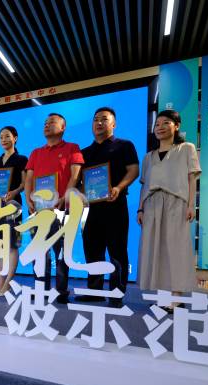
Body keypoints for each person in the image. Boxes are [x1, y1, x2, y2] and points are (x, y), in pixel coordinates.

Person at [137, 110, 201, 312]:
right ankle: (163, 297)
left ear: (177, 126)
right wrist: (140, 209)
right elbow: (144, 186)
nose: (160, 127)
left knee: (176, 249)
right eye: (157, 124)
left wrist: (191, 205)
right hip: (152, 204)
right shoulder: (148, 157)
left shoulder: (186, 148)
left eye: (166, 123)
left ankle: (177, 297)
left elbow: (191, 178)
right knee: (155, 249)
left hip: (176, 202)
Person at [77, 107, 139, 307]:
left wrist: (119, 187)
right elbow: (78, 181)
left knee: (117, 250)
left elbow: (133, 170)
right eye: (96, 119)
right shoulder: (84, 152)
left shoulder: (124, 145)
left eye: (104, 119)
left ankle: (116, 293)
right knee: (92, 250)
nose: (99, 123)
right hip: (90, 209)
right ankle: (94, 291)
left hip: (115, 205)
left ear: (113, 124)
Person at [24, 113, 84, 304]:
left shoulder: (72, 148)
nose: (47, 125)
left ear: (63, 127)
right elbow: (29, 178)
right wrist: (28, 198)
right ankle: (40, 288)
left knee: (61, 252)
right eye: (45, 123)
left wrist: (65, 196)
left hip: (62, 208)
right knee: (39, 251)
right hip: (38, 210)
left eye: (52, 122)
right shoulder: (36, 152)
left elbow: (75, 175)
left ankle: (61, 290)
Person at [0, 126, 27, 296]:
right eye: (1, 137)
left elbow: (24, 183)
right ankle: (0, 281)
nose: (4, 140)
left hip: (14, 206)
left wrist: (15, 191)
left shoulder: (21, 159)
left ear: (15, 138)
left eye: (7, 136)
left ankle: (8, 282)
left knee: (12, 244)